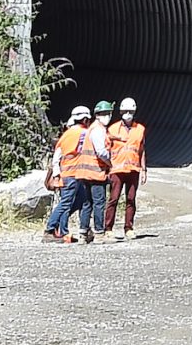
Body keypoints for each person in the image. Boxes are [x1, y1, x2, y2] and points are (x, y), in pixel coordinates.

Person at [43, 107, 108, 243]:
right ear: (85, 119)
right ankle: (50, 230)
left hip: (66, 173)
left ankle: (65, 231)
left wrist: (56, 174)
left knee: (82, 201)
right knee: (66, 203)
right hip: (74, 174)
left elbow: (57, 156)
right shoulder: (86, 133)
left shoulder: (66, 134)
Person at [104, 98, 146, 240]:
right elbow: (106, 150)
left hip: (133, 169)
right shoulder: (113, 129)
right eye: (125, 111)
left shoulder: (140, 129)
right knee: (113, 199)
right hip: (117, 169)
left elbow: (141, 149)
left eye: (131, 111)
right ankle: (108, 228)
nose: (128, 114)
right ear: (121, 112)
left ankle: (128, 228)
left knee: (131, 199)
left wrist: (144, 169)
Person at [86, 102, 116, 240]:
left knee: (88, 203)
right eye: (104, 114)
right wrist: (111, 163)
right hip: (96, 173)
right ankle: (99, 233)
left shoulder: (92, 128)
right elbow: (101, 152)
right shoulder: (98, 130)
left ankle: (84, 232)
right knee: (99, 203)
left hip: (87, 172)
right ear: (97, 115)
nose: (107, 116)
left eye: (108, 114)